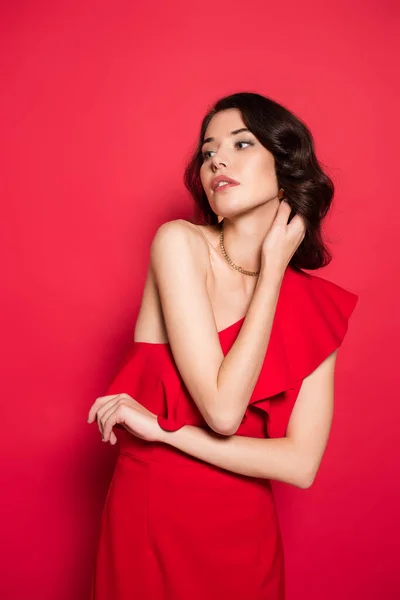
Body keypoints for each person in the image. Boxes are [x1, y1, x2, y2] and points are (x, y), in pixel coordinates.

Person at [87, 92, 359, 599]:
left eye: (241, 143)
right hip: (154, 520)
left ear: (285, 164)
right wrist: (273, 271)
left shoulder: (318, 308)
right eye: (208, 150)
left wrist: (164, 432)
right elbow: (223, 411)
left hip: (245, 536)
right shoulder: (179, 243)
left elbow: (299, 466)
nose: (217, 160)